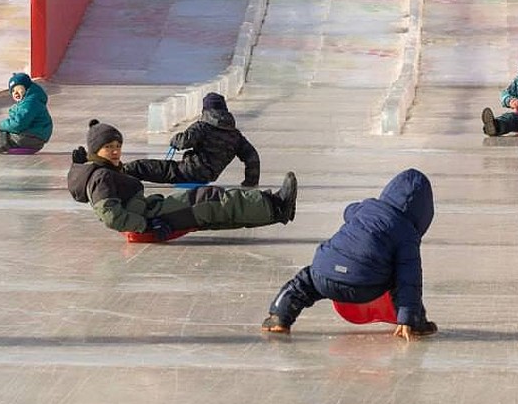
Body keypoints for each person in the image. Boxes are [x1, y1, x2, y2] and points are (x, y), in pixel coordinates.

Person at [261, 168, 437, 339]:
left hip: (324, 274)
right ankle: (415, 324)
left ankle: (278, 318)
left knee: (303, 283)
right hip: (365, 285)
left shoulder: (366, 208)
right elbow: (409, 281)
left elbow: (348, 210)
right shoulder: (407, 234)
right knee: (400, 281)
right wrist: (407, 318)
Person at [67, 119, 297, 239]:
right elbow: (111, 217)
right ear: (96, 151)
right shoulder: (101, 177)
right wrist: (147, 225)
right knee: (211, 201)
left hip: (152, 212)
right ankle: (275, 205)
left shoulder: (104, 170)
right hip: (152, 219)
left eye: (117, 146)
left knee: (212, 211)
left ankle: (275, 209)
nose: (115, 151)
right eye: (108, 147)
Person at [123, 92, 261, 187]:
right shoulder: (236, 135)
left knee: (142, 167)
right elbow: (252, 157)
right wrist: (250, 182)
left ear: (205, 109)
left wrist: (175, 139)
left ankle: (118, 172)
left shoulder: (202, 126)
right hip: (209, 176)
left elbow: (182, 142)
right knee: (160, 168)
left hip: (188, 171)